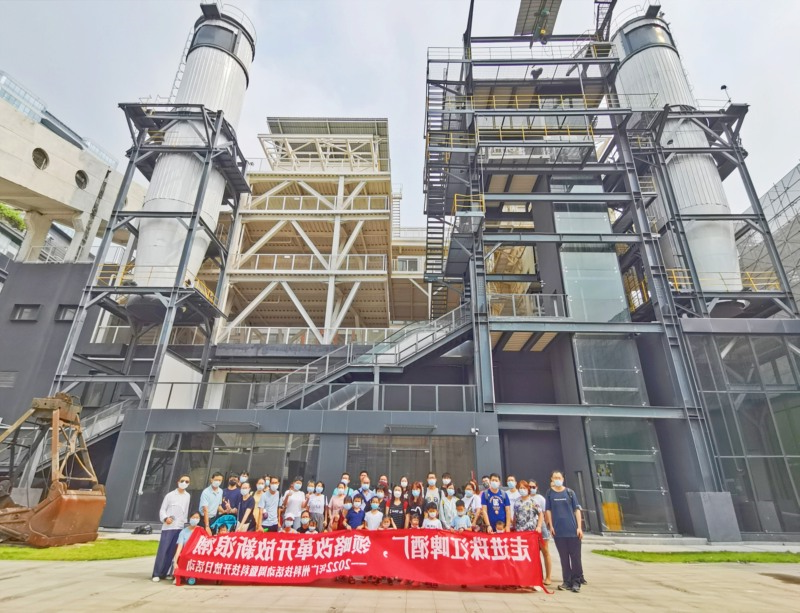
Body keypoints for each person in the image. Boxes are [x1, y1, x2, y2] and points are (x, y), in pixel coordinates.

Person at [545, 471, 584, 593]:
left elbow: (577, 510)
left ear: (563, 479)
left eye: (559, 477)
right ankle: (566, 581)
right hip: (558, 532)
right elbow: (548, 510)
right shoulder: (550, 493)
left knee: (575, 558)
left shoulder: (570, 492)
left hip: (572, 531)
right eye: (555, 477)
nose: (557, 479)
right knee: (564, 558)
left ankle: (576, 582)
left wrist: (579, 527)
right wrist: (551, 526)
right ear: (552, 479)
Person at [152, 475, 191, 582]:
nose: (184, 483)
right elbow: (162, 509)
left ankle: (165, 573)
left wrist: (184, 524)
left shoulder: (187, 496)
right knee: (163, 550)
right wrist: (165, 518)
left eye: (187, 481)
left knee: (173, 552)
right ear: (178, 481)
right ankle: (156, 573)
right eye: (182, 480)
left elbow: (185, 511)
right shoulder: (170, 495)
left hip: (179, 527)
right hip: (168, 527)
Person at [530, 479, 552, 586]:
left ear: (537, 487)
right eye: (529, 487)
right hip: (530, 529)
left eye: (533, 487)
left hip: (540, 528)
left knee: (545, 552)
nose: (531, 489)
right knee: (534, 554)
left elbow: (545, 513)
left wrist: (544, 525)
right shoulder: (525, 498)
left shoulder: (540, 499)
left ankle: (548, 577)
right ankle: (538, 576)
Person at [172, 512, 202, 583]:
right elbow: (179, 547)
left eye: (197, 518)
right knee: (180, 557)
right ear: (190, 518)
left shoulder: (201, 530)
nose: (195, 519)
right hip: (186, 554)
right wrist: (175, 561)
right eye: (193, 517)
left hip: (197, 554)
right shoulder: (184, 532)